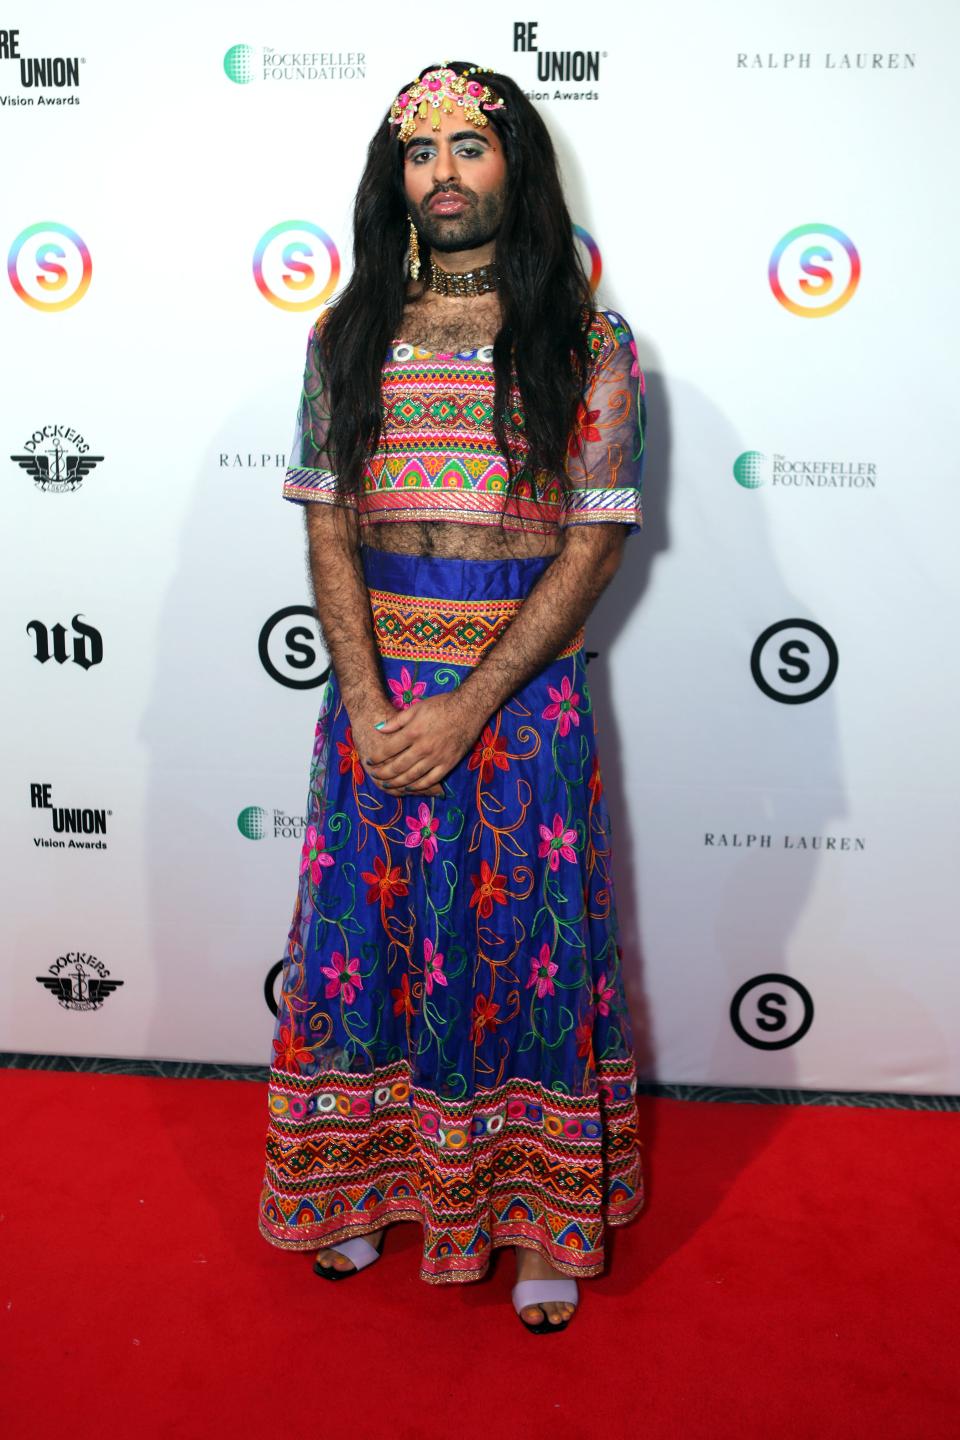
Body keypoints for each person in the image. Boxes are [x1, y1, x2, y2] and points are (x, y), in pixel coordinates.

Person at [258, 60, 647, 1334]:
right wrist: (371, 706)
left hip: (519, 715)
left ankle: (539, 1220)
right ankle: (360, 1185)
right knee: (365, 952)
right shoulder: (345, 332)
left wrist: (467, 707)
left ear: (515, 168)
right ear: (395, 179)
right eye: (420, 154)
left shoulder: (589, 342)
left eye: (469, 149)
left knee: (523, 957)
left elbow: (590, 548)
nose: (443, 175)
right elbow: (329, 535)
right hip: (374, 716)